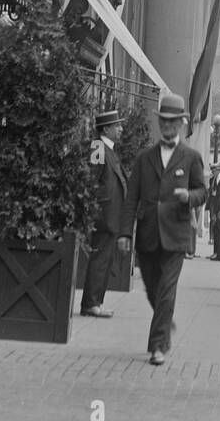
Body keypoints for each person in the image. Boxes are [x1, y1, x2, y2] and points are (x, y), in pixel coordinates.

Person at [117, 92, 205, 366]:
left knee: (167, 290)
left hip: (176, 235)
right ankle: (165, 329)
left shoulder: (191, 157)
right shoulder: (145, 158)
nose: (167, 126)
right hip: (147, 234)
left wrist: (188, 197)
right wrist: (124, 233)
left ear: (181, 123)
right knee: (152, 291)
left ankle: (157, 347)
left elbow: (203, 191)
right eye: (163, 122)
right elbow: (131, 197)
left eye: (172, 122)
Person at [80, 109, 128, 319]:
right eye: (116, 126)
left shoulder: (108, 149)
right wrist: (98, 208)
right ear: (106, 129)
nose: (120, 129)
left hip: (111, 215)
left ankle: (96, 302)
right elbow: (91, 181)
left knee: (104, 260)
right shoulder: (98, 147)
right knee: (100, 260)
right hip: (104, 216)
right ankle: (91, 303)